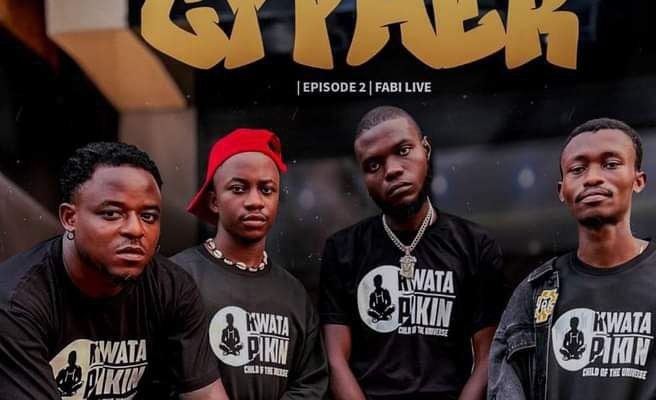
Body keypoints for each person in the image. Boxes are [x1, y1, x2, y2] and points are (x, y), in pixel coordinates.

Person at [489, 118, 656, 399]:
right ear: (562, 190)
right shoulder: (534, 292)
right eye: (577, 169)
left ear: (638, 180)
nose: (592, 178)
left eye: (610, 164)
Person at [0, 142, 228, 399]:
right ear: (69, 218)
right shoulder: (17, 301)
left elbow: (206, 393)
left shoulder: (172, 287)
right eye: (111, 214)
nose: (135, 229)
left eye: (148, 216)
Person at [319, 106, 507, 399]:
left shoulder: (474, 245)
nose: (392, 170)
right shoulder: (343, 250)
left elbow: (488, 357)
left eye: (403, 151)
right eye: (373, 165)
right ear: (363, 177)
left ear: (426, 150)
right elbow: (335, 361)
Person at [171, 128, 328, 400]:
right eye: (238, 188)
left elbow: (310, 384)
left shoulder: (293, 293)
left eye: (266, 189)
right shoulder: (178, 277)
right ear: (214, 200)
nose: (255, 202)